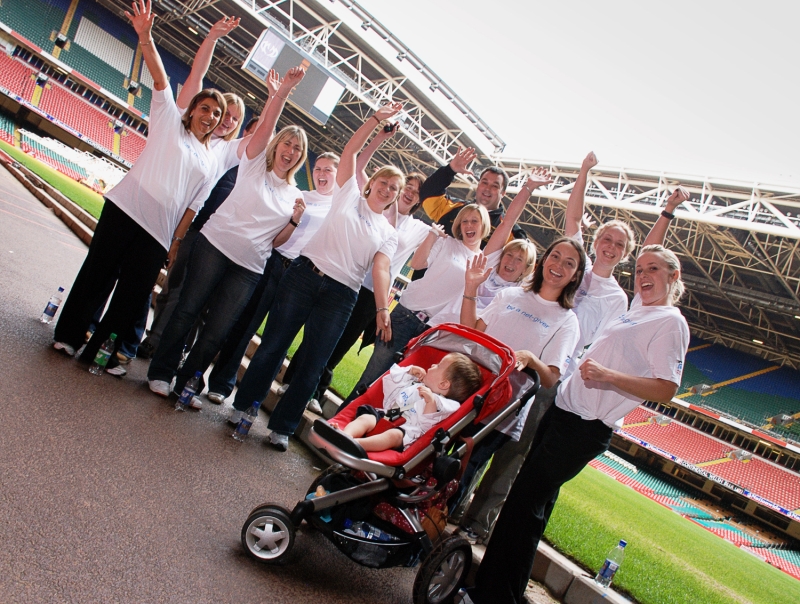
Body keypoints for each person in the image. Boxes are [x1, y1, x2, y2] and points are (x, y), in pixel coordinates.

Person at [458, 157, 691, 542]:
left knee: (514, 455)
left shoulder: (620, 298)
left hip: (555, 380)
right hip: (518, 363)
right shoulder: (573, 264)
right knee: (480, 439)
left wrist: (667, 212)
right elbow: (573, 217)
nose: (611, 247)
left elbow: (654, 258)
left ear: (626, 254)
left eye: (620, 245)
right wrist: (583, 172)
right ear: (594, 242)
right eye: (606, 239)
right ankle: (452, 503)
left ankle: (477, 523)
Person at [462, 244, 690, 604]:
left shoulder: (670, 322)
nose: (643, 276)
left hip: (584, 426)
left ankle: (492, 595)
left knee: (522, 506)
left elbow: (667, 388)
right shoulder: (639, 310)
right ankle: (499, 592)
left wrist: (608, 375)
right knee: (530, 511)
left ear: (674, 276)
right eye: (640, 269)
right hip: (563, 412)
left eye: (653, 269)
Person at [52, 0, 230, 368]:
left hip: (158, 234)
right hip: (125, 210)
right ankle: (68, 336)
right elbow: (160, 78)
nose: (211, 116)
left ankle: (96, 352)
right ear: (192, 109)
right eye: (205, 108)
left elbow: (193, 206)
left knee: (130, 299)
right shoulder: (169, 121)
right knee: (96, 276)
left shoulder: (212, 160)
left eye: (217, 113)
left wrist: (175, 242)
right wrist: (146, 37)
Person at [228, 102, 405, 451]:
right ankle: (243, 406)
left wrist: (383, 308)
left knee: (313, 365)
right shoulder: (348, 195)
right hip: (304, 276)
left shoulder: (388, 232)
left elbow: (382, 268)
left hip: (341, 296)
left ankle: (282, 427)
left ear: (395, 197)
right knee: (274, 345)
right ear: (371, 184)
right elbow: (350, 152)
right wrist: (375, 121)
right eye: (383, 182)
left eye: (393, 189)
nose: (386, 189)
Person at [146, 67, 307, 404]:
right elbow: (266, 126)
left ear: (301, 157)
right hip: (214, 246)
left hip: (249, 268)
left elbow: (276, 242)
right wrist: (282, 93)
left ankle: (187, 384)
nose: (291, 151)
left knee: (216, 331)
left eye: (298, 148)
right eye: (287, 143)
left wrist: (293, 222)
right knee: (187, 310)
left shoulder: (295, 195)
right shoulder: (254, 163)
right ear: (276, 145)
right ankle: (161, 371)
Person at [344, 168, 552, 405]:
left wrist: (527, 188)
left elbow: (507, 224)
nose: (469, 225)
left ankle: (367, 425)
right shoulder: (446, 242)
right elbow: (417, 263)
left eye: (475, 221)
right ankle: (341, 419)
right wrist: (433, 236)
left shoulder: (483, 261)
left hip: (434, 331)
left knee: (402, 389)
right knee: (372, 376)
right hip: (406, 315)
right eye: (465, 220)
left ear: (484, 226)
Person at [277, 124, 430, 412]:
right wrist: (379, 136)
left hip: (371, 292)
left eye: (414, 191)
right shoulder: (370, 201)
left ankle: (313, 390)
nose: (407, 193)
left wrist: (382, 306)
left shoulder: (419, 229)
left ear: (420, 199)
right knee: (314, 337)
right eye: (406, 187)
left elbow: (388, 264)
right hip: (346, 279)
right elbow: (357, 164)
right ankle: (292, 380)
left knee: (338, 343)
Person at [450, 235, 584, 518]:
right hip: (468, 391)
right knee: (434, 456)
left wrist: (531, 358)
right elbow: (472, 333)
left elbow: (551, 378)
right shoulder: (510, 295)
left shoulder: (567, 321)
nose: (559, 265)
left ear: (575, 275)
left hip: (503, 410)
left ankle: (434, 523)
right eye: (555, 256)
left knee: (462, 469)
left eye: (569, 263)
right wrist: (471, 288)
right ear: (544, 260)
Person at [204, 151, 341, 403]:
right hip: (273, 261)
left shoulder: (339, 208)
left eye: (328, 170)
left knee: (277, 340)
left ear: (338, 174)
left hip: (300, 274)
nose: (321, 174)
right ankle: (221, 384)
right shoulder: (300, 195)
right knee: (245, 324)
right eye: (318, 169)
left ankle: (251, 400)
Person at [336, 353, 482, 451]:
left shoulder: (444, 405)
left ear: (443, 384)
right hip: (386, 415)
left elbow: (427, 428)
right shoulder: (416, 383)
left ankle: (358, 444)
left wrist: (430, 403)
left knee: (393, 436)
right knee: (366, 418)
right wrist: (408, 372)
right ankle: (345, 435)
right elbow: (390, 383)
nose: (432, 365)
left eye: (438, 366)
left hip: (406, 431)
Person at [419, 147, 528, 244]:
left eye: (495, 186)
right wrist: (450, 170)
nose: (487, 188)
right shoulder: (453, 208)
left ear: (503, 193)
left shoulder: (510, 232)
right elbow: (427, 194)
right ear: (478, 185)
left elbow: (522, 253)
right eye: (484, 182)